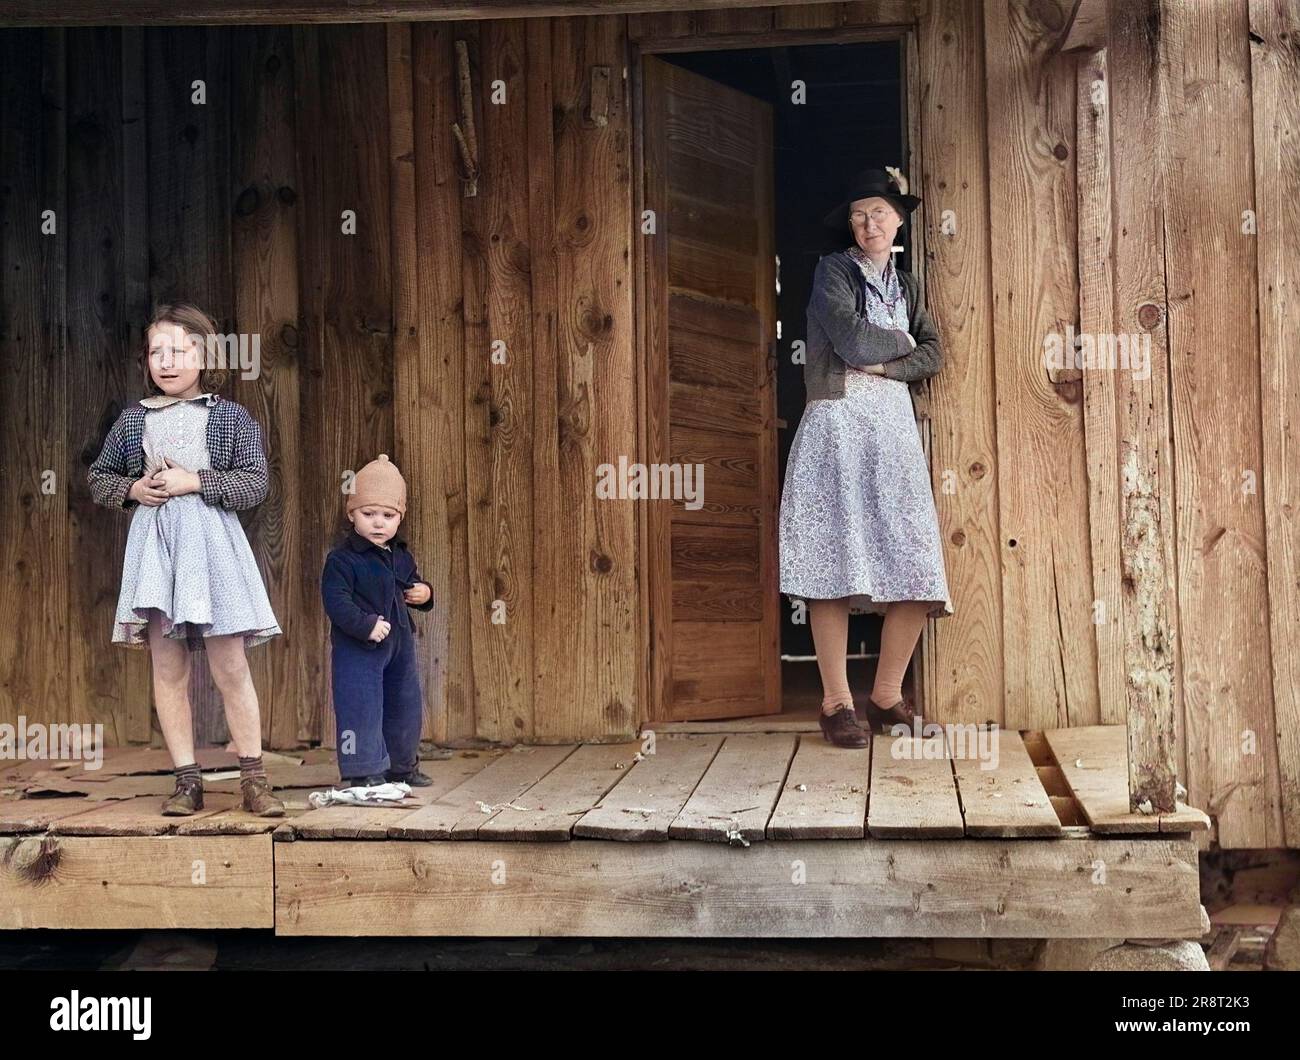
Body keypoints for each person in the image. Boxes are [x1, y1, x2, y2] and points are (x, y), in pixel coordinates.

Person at [779, 167, 953, 749]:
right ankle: (835, 703)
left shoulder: (908, 285)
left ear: (899, 220)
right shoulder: (834, 271)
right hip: (837, 425)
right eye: (858, 214)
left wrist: (887, 363)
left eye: (879, 212)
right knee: (832, 560)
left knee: (915, 559)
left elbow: (935, 353)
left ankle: (884, 696)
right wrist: (900, 345)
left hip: (893, 434)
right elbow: (851, 341)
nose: (868, 222)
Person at [88, 303, 285, 814]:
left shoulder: (229, 416)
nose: (167, 361)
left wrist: (194, 481)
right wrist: (132, 488)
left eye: (179, 350)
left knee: (229, 664)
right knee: (168, 668)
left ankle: (254, 778)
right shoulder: (134, 421)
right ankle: (186, 780)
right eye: (157, 352)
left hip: (213, 552)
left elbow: (255, 481)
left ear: (204, 354)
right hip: (160, 555)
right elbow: (99, 477)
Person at [320, 453, 435, 787]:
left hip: (399, 643)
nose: (378, 522)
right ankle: (362, 770)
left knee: (405, 703)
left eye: (388, 515)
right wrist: (365, 624)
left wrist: (424, 593)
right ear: (352, 513)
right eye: (368, 513)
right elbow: (336, 602)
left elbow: (413, 582)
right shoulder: (343, 560)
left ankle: (403, 766)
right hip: (358, 647)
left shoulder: (400, 554)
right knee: (360, 706)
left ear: (399, 518)